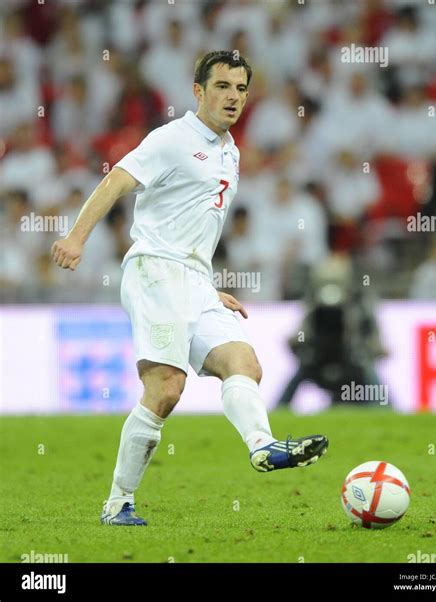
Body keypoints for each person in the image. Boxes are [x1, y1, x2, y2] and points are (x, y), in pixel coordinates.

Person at [51, 51, 328, 527]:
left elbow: (194, 223)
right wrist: (77, 237)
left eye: (241, 89)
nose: (233, 97)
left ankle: (263, 447)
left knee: (243, 363)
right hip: (155, 272)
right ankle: (118, 503)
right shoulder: (172, 139)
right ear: (198, 91)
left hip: (194, 280)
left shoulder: (231, 150)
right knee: (165, 389)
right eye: (222, 86)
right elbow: (117, 179)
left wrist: (206, 283)